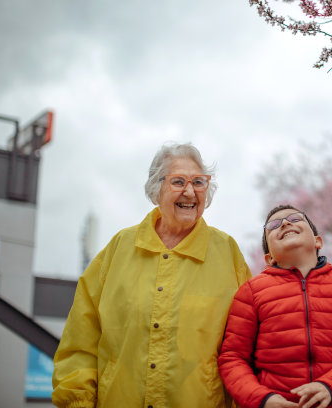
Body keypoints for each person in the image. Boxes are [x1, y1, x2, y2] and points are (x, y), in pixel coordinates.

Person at [52, 143, 251, 408]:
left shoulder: (227, 253)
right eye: (178, 181)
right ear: (156, 190)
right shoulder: (118, 249)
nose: (190, 192)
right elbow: (81, 341)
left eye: (199, 182)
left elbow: (248, 346)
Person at [218, 205, 332, 408]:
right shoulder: (251, 292)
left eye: (295, 219)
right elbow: (233, 358)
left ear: (318, 241)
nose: (285, 223)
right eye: (274, 225)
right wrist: (262, 399)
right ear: (269, 258)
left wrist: (330, 386)